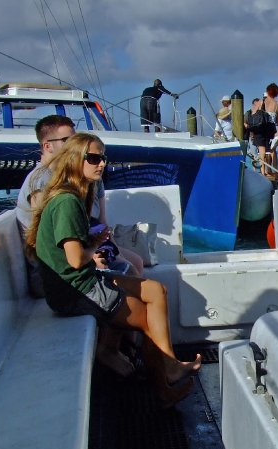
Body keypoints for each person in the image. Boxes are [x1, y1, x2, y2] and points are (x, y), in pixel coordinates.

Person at [26, 133, 201, 404]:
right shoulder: (67, 202)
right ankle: (165, 380)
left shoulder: (76, 196)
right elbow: (74, 259)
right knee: (147, 319)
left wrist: (94, 241)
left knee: (156, 290)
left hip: (81, 280)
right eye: (94, 158)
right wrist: (93, 248)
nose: (101, 164)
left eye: (103, 158)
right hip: (74, 290)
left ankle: (169, 367)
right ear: (75, 160)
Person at [16, 116, 143, 292]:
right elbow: (44, 239)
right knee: (133, 276)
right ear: (47, 146)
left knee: (135, 263)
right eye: (67, 140)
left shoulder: (75, 179)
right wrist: (91, 258)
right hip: (56, 271)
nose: (75, 143)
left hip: (82, 249)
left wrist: (104, 246)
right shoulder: (41, 182)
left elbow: (97, 222)